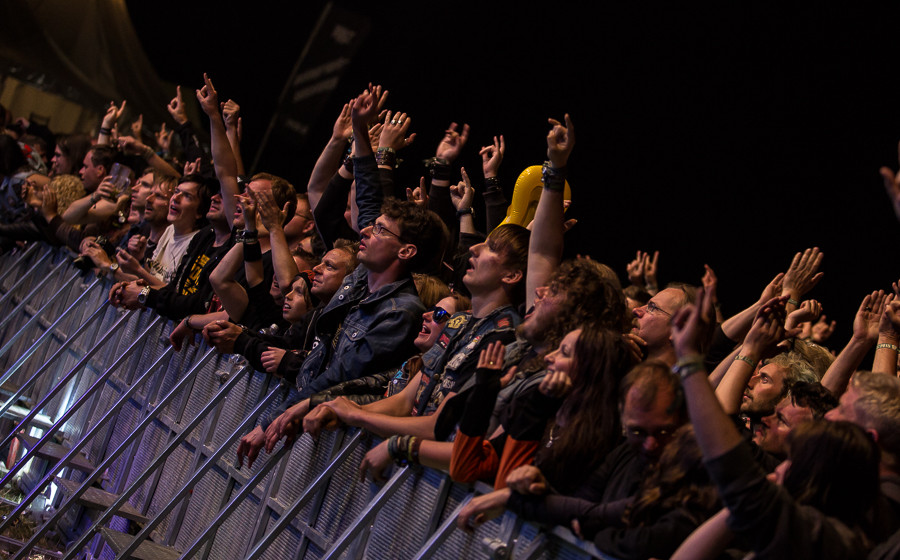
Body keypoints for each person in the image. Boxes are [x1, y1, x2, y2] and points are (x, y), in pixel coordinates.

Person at [223, 86, 448, 469]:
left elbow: (340, 377)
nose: (365, 231)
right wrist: (360, 134)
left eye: (379, 231)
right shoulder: (364, 281)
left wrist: (271, 419)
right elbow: (370, 199)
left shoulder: (400, 312)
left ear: (405, 251)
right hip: (305, 422)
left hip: (335, 451)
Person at [670, 284, 880, 559]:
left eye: (780, 418)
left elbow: (721, 415)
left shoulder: (773, 470)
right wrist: (860, 340)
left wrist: (700, 358)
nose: (752, 379)